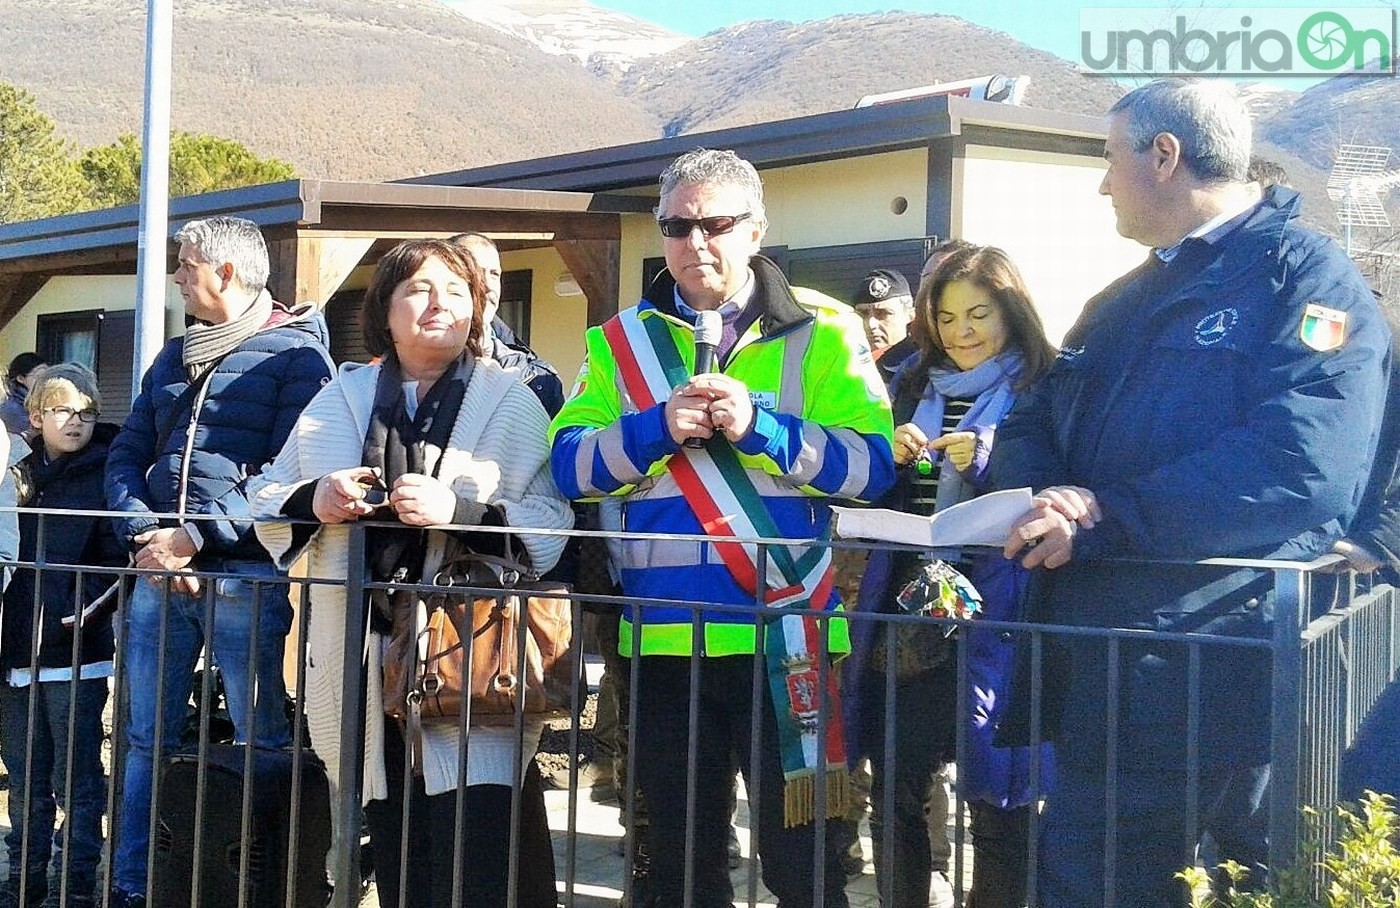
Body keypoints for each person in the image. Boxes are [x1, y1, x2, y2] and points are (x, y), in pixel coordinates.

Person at [989, 79, 1391, 906]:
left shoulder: (1306, 283)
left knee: (1123, 882)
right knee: (1096, 874)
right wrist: (1050, 493)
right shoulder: (1120, 301)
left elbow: (1301, 466)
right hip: (1104, 657)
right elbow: (1035, 415)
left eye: (1109, 159)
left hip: (1209, 663)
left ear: (1164, 156)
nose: (1103, 184)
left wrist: (1106, 518)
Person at [549, 147, 895, 908]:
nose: (694, 242)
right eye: (676, 225)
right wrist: (652, 431)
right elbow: (569, 467)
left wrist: (763, 427)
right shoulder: (619, 341)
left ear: (756, 229)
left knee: (805, 867)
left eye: (715, 223)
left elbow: (873, 471)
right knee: (677, 869)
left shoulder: (827, 330)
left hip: (788, 639)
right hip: (665, 642)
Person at [250, 238, 573, 908]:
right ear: (385, 309)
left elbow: (554, 519)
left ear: (478, 308)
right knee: (397, 840)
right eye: (419, 290)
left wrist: (460, 511)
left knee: (478, 843)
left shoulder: (510, 402)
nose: (438, 304)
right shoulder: (341, 396)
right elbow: (267, 496)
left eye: (456, 291)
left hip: (471, 655)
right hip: (366, 655)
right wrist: (317, 498)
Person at [104, 215, 335, 907]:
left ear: (226, 273)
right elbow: (125, 455)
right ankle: (134, 886)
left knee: (264, 737)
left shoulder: (299, 358)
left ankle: (257, 888)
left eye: (185, 264)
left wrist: (198, 537)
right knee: (143, 738)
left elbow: (290, 469)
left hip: (246, 577)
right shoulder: (172, 358)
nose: (177, 275)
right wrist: (148, 534)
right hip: (156, 575)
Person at [845, 246, 1055, 908]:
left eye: (979, 314)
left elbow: (1067, 484)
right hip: (910, 615)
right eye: (947, 316)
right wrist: (894, 459)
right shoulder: (911, 383)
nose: (962, 331)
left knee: (1002, 800)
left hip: (1003, 620)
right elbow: (876, 501)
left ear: (1012, 311)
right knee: (896, 789)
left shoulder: (1046, 387)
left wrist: (992, 460)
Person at [0, 365, 124, 908]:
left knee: (77, 781)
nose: (77, 422)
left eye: (87, 412)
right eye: (63, 410)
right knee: (26, 782)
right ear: (36, 415)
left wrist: (77, 620)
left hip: (75, 652)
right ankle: (23, 880)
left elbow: (112, 564)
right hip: (14, 652)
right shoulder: (15, 473)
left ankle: (74, 886)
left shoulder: (106, 471)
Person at [448, 232, 564, 415]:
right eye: (475, 271)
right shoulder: (414, 367)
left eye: (494, 274)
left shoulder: (536, 378)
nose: (487, 285)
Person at [852, 268, 917, 383]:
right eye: (863, 314)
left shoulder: (922, 369)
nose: (870, 324)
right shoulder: (846, 367)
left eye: (883, 313)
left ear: (910, 316)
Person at [0, 353, 46, 437]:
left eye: (47, 375)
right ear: (21, 379)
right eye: (39, 376)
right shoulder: (11, 408)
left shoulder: (40, 400)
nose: (45, 380)